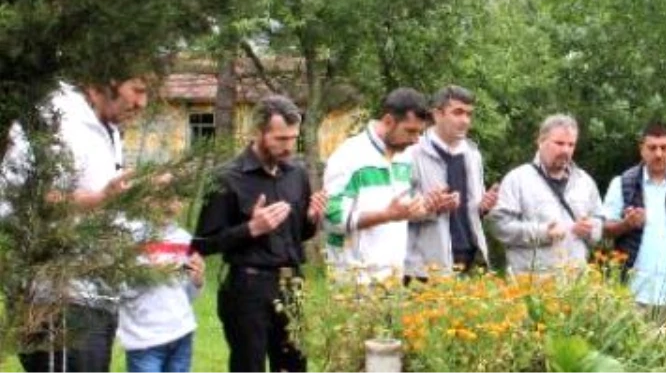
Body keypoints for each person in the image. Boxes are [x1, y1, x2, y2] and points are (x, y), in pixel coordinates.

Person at [4, 76, 151, 372]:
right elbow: (24, 199)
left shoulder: (105, 128)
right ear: (107, 80)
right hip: (58, 300)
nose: (141, 103)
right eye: (137, 90)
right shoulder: (57, 120)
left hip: (96, 297)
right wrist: (99, 199)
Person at [192, 95, 328, 373]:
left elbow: (298, 235)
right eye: (280, 139)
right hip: (248, 288)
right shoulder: (225, 178)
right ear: (258, 132)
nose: (289, 146)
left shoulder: (297, 174)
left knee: (293, 366)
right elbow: (204, 244)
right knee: (249, 367)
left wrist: (313, 219)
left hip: (292, 285)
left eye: (293, 138)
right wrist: (251, 228)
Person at [323, 88, 430, 283]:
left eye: (419, 132)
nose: (416, 140)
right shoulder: (349, 155)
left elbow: (399, 212)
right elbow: (331, 220)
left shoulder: (404, 156)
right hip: (353, 280)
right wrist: (386, 215)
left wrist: (419, 208)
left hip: (393, 277)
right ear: (388, 121)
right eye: (410, 131)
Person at [602, 121, 666, 314]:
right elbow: (605, 229)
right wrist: (626, 224)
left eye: (664, 148)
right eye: (652, 148)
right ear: (641, 149)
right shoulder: (622, 182)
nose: (659, 154)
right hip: (631, 293)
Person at [488, 114, 604, 274]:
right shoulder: (517, 179)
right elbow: (499, 227)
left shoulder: (585, 182)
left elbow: (599, 222)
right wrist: (543, 232)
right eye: (559, 143)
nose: (565, 150)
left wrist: (590, 229)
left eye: (571, 145)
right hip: (531, 286)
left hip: (576, 287)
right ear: (541, 141)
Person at [406, 86, 498, 279]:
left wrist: (483, 206)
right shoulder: (412, 152)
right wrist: (430, 206)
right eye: (458, 112)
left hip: (471, 260)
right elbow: (395, 210)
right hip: (425, 268)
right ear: (437, 114)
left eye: (468, 114)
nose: (465, 120)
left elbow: (472, 210)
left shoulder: (473, 155)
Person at [117, 199, 205, 373]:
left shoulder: (185, 240)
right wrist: (146, 273)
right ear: (146, 197)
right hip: (145, 339)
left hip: (181, 333)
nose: (168, 203)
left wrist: (197, 281)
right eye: (162, 196)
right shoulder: (131, 239)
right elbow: (119, 288)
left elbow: (187, 294)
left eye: (176, 197)